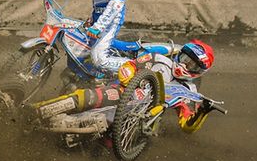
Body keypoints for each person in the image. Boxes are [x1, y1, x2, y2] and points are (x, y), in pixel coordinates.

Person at [32, 40, 216, 133]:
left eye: (191, 65)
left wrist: (202, 113)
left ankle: (55, 129)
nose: (185, 66)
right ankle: (36, 110)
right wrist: (129, 82)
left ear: (198, 71)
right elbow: (130, 66)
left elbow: (186, 125)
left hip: (138, 118)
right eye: (185, 59)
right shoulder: (157, 59)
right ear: (179, 54)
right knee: (89, 97)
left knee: (102, 123)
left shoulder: (189, 93)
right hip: (121, 91)